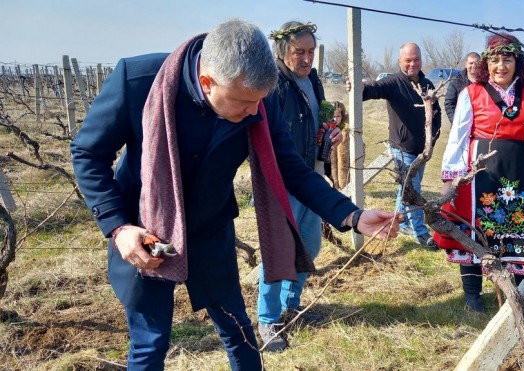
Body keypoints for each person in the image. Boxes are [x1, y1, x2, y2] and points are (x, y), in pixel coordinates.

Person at [69, 19, 397, 370]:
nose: (254, 113)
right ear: (208, 83)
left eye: (259, 103)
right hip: (144, 234)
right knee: (150, 344)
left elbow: (292, 168)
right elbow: (88, 153)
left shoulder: (258, 98)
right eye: (243, 103)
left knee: (238, 330)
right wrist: (119, 227)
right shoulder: (137, 82)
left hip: (211, 231)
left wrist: (352, 215)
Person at [432, 33, 524, 313]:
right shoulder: (471, 93)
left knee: (518, 231)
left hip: (517, 173)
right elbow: (459, 137)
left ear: (517, 62)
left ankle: (523, 292)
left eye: (508, 60)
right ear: (486, 64)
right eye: (496, 60)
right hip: (479, 174)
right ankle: (473, 296)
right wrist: (450, 179)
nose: (501, 66)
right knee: (475, 235)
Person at [257, 21, 344, 352]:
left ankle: (290, 306)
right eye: (299, 52)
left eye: (310, 52)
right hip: (280, 179)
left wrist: (331, 132)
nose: (306, 59)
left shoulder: (312, 79)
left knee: (308, 245)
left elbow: (319, 119)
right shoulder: (272, 84)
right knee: (277, 249)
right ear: (283, 51)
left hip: (310, 174)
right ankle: (268, 318)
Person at [358, 43, 442, 248]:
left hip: (423, 151)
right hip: (403, 150)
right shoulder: (393, 83)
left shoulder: (428, 85)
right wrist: (359, 87)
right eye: (408, 60)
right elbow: (372, 90)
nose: (412, 63)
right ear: (399, 62)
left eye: (416, 59)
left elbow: (436, 115)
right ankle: (419, 232)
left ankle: (401, 222)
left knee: (404, 191)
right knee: (413, 191)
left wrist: (432, 141)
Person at [444, 52, 480, 125]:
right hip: (461, 125)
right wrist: (457, 123)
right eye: (471, 63)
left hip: (481, 126)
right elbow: (449, 104)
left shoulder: (486, 82)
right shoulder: (456, 81)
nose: (474, 65)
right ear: (466, 64)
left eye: (477, 63)